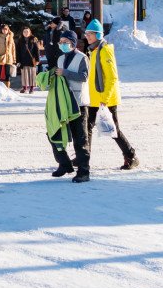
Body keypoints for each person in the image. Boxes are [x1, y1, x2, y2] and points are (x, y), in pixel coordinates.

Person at [83, 20, 139, 170]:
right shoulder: (93, 50)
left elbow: (112, 77)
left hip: (105, 100)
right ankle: (83, 158)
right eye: (86, 33)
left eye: (90, 34)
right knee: (87, 127)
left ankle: (131, 156)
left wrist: (105, 100)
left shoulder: (104, 50)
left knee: (114, 130)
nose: (87, 36)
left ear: (98, 35)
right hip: (94, 99)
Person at [38, 29, 91, 182]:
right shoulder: (60, 58)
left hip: (78, 103)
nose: (62, 45)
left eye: (65, 42)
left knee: (80, 140)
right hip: (62, 103)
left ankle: (83, 172)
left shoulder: (82, 58)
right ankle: (64, 164)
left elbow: (84, 77)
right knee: (54, 133)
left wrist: (65, 73)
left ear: (73, 44)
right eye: (61, 42)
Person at [15, 25, 42, 94]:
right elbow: (17, 52)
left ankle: (32, 88)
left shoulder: (33, 39)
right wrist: (18, 61)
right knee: (24, 75)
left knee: (32, 74)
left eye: (27, 31)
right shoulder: (20, 40)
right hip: (23, 60)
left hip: (31, 60)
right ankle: (24, 88)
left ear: (30, 32)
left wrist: (37, 60)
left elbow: (37, 50)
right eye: (24, 32)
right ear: (22, 33)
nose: (26, 33)